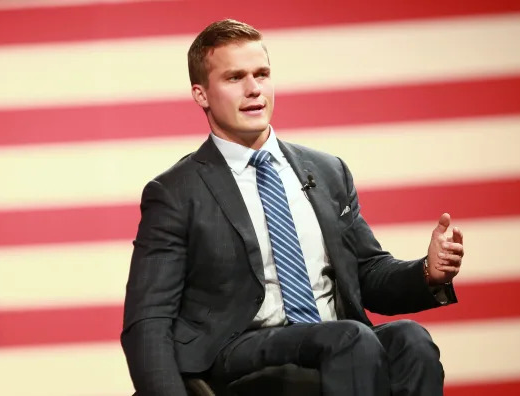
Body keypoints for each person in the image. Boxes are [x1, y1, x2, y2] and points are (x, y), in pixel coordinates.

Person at [121, 19, 463, 396]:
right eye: (235, 78)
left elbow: (366, 272)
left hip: (338, 339)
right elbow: (148, 319)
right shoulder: (175, 192)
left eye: (262, 74)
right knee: (351, 338)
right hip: (239, 348)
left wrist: (428, 273)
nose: (254, 89)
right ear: (201, 94)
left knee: (410, 340)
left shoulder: (328, 171)